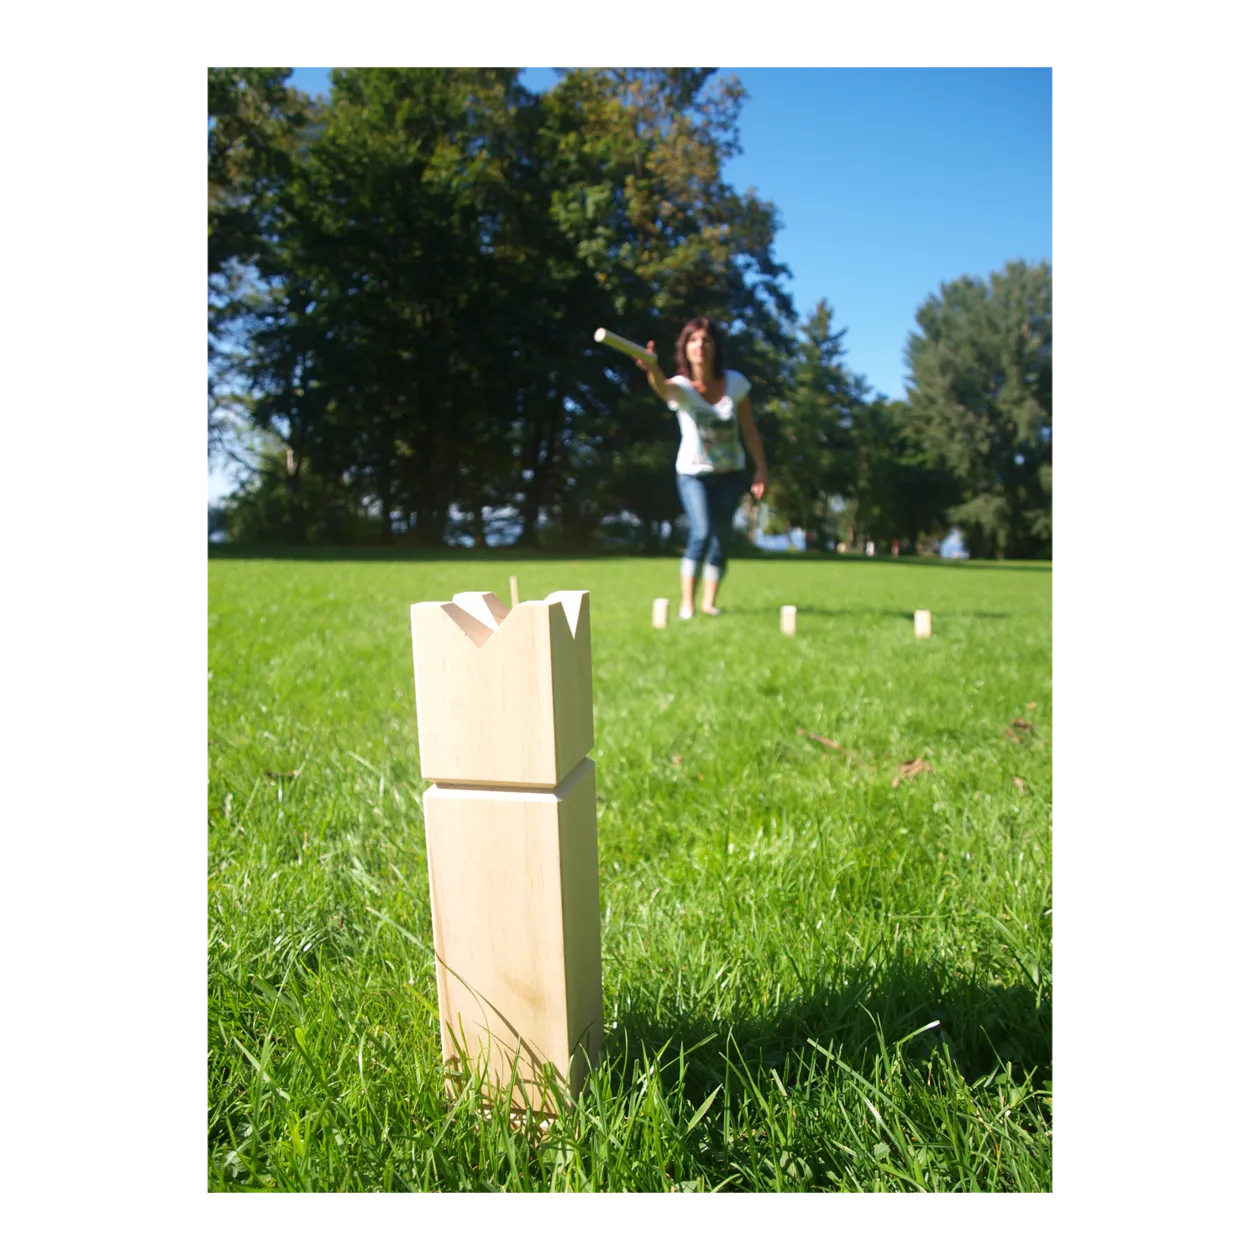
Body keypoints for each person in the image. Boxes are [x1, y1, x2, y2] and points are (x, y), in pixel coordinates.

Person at [635, 318, 769, 618]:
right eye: (693, 340)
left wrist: (762, 469)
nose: (700, 345)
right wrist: (652, 368)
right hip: (692, 474)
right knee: (702, 530)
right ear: (685, 347)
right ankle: (687, 604)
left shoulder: (735, 383)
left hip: (731, 475)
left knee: (721, 539)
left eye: (706, 339)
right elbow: (663, 389)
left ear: (715, 347)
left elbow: (750, 430)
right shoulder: (682, 388)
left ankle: (709, 604)